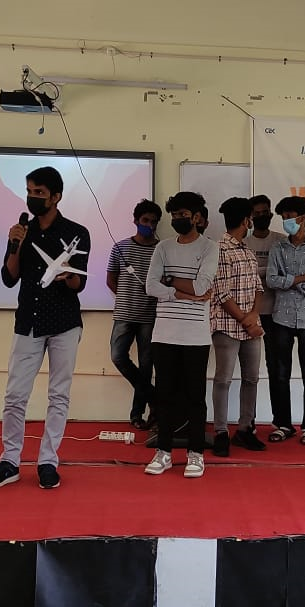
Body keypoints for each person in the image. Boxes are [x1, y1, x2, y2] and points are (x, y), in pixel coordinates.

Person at [0, 166, 90, 490]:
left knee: (59, 395)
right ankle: (10, 461)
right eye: (29, 191)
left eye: (39, 193)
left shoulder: (76, 232)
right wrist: (15, 244)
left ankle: (47, 462)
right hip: (28, 320)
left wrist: (67, 276)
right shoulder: (21, 231)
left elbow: (79, 283)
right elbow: (8, 277)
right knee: (15, 396)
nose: (32, 198)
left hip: (64, 323)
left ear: (56, 197)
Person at [144, 191, 219, 478]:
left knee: (195, 397)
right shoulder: (163, 247)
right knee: (164, 396)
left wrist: (170, 281)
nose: (178, 219)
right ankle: (163, 452)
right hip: (164, 332)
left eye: (183, 215)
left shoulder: (210, 247)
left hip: (195, 335)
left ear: (197, 217)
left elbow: (202, 286)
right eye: (174, 215)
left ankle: (195, 454)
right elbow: (151, 286)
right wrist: (182, 293)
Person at [265, 196, 305, 446]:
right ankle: (284, 424)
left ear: (302, 218)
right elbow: (271, 280)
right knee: (280, 374)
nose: (286, 222)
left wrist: (289, 281)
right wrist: (301, 278)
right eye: (283, 218)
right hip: (282, 317)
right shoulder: (277, 247)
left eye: (289, 217)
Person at [210, 197, 266, 456]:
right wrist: (246, 321)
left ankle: (245, 429)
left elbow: (258, 287)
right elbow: (221, 293)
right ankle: (221, 432)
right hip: (226, 325)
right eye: (251, 218)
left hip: (252, 325)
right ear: (246, 220)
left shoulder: (247, 250)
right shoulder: (219, 249)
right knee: (223, 379)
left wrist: (254, 316)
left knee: (251, 378)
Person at [106, 199, 161, 430]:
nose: (149, 225)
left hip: (150, 317)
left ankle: (137, 414)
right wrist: (126, 297)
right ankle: (155, 398)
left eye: (153, 222)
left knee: (147, 366)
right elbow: (111, 278)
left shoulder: (161, 249)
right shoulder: (120, 247)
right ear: (136, 220)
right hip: (124, 314)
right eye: (145, 220)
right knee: (118, 357)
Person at [245, 195, 285, 429]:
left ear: (271, 213)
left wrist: (258, 271)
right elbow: (245, 276)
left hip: (276, 313)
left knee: (276, 369)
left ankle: (280, 421)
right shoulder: (244, 243)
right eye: (257, 213)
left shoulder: (281, 241)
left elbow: (284, 273)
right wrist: (270, 272)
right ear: (250, 217)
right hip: (249, 314)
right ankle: (248, 422)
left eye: (265, 212)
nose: (262, 216)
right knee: (249, 372)